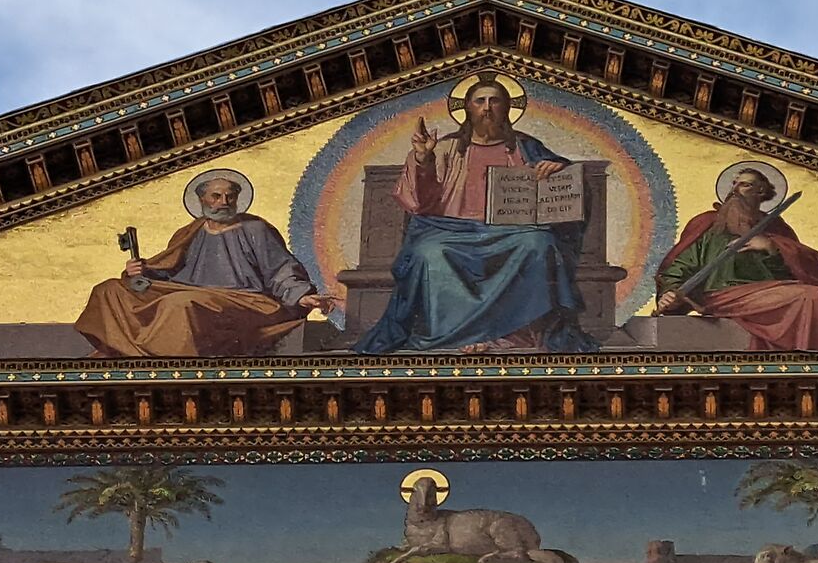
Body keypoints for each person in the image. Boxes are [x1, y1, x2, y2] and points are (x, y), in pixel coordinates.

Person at [356, 76, 595, 352]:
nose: (487, 108)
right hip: (451, 230)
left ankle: (514, 334)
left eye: (495, 101)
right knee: (427, 252)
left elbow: (567, 180)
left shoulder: (526, 146)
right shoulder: (444, 147)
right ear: (467, 107)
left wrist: (555, 168)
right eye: (479, 101)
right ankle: (454, 334)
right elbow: (418, 202)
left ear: (506, 107)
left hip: (511, 232)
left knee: (539, 244)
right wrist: (423, 159)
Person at [75, 171, 339, 357]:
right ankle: (119, 349)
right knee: (108, 289)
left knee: (180, 305)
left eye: (229, 196)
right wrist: (139, 272)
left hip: (242, 300)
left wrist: (301, 296)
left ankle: (156, 364)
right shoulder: (189, 232)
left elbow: (281, 270)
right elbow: (168, 272)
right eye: (216, 196)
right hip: (189, 293)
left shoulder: (255, 229)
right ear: (202, 200)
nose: (223, 202)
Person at [656, 166, 818, 351]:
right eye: (734, 184)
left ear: (761, 192)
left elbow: (802, 269)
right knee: (809, 297)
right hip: (728, 296)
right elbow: (677, 269)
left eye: (744, 184)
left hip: (777, 289)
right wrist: (670, 293)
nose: (735, 190)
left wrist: (771, 248)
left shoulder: (775, 228)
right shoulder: (709, 226)